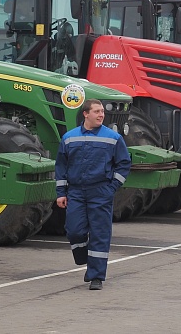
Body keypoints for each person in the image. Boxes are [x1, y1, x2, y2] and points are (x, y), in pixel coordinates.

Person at [55, 99, 131, 290]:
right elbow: (61, 166)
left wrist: (112, 188)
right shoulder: (69, 138)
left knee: (99, 233)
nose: (101, 115)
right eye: (96, 111)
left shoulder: (113, 138)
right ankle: (82, 257)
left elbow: (124, 164)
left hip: (101, 192)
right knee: (74, 230)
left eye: (102, 112)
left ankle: (96, 276)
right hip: (76, 192)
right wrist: (61, 193)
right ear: (85, 114)